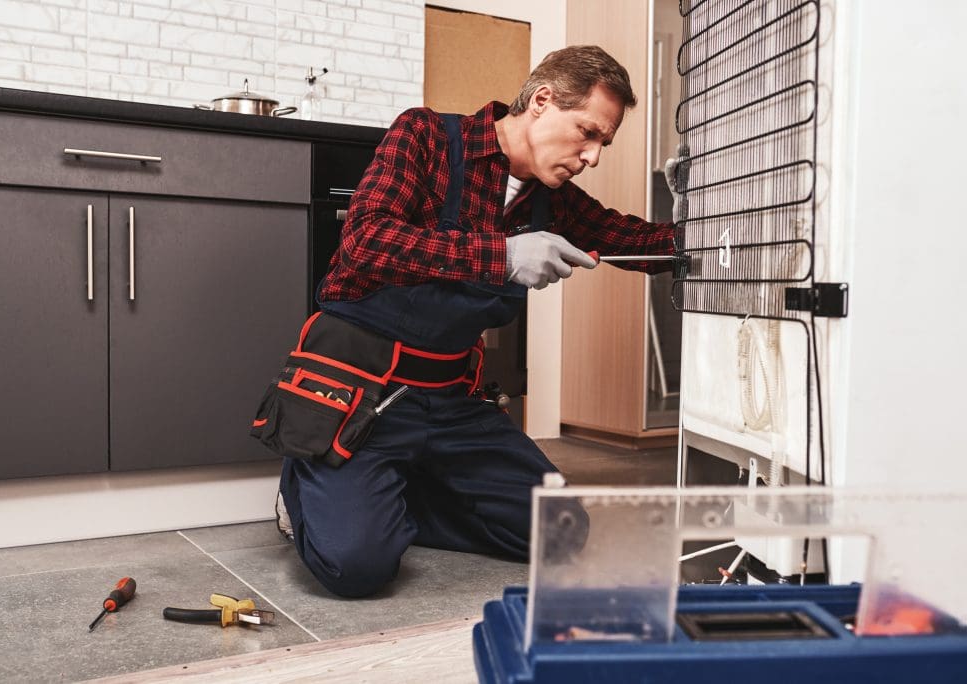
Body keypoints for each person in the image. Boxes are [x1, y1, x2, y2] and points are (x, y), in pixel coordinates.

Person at [276, 45, 680, 598]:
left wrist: (699, 203)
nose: (592, 157)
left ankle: (388, 497)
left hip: (450, 405)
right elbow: (365, 241)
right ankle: (312, 486)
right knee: (357, 566)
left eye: (602, 143)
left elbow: (643, 244)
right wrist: (504, 256)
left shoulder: (552, 202)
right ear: (542, 100)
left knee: (562, 531)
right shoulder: (425, 137)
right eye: (587, 133)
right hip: (361, 394)